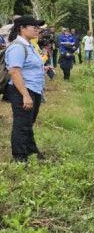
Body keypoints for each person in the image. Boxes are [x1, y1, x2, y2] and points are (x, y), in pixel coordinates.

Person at [4, 15, 50, 162]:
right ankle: (19, 157)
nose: (37, 30)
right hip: (23, 90)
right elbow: (15, 72)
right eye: (34, 27)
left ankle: (31, 151)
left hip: (33, 89)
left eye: (38, 28)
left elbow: (27, 67)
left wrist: (43, 68)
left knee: (28, 124)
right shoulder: (18, 47)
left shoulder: (28, 45)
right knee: (22, 125)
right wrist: (25, 95)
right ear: (22, 29)